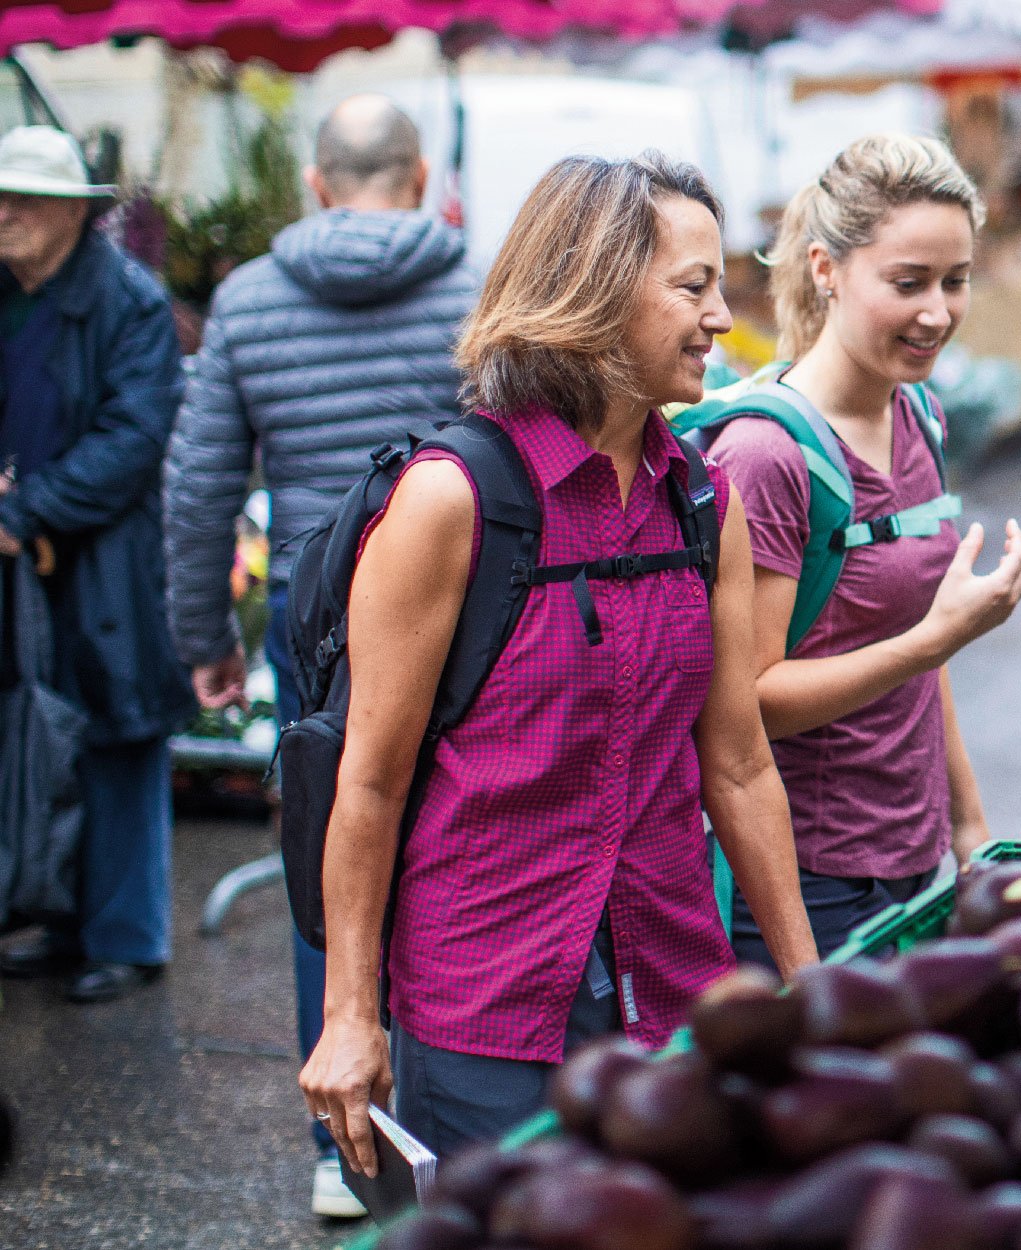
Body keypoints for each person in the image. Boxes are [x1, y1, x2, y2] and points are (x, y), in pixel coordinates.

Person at [296, 153, 818, 1174]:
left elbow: (742, 765)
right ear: (591, 288)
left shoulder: (703, 502)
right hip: (484, 1005)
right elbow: (367, 779)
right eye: (693, 286)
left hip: (671, 988)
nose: (722, 317)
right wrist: (349, 1014)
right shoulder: (455, 499)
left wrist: (810, 981)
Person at [160, 94, 475, 1219]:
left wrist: (203, 642)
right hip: (466, 623)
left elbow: (198, 487)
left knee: (326, 861)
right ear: (422, 173)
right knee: (454, 847)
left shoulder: (247, 297)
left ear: (318, 183)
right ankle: (456, 1109)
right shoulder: (472, 282)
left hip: (319, 630)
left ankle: (345, 1145)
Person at [698, 135, 1021, 965]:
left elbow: (926, 651)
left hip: (915, 857)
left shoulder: (916, 413)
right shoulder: (764, 456)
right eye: (908, 283)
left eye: (955, 281)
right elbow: (746, 704)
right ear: (825, 269)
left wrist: (968, 826)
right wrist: (938, 637)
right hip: (810, 877)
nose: (938, 312)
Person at [0, 126, 192, 1005]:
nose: (6, 214)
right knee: (39, 736)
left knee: (116, 733)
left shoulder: (130, 301)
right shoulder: (7, 289)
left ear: (76, 213)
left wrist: (25, 509)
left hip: (101, 559)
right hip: (17, 560)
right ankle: (60, 917)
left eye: (27, 199)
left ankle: (126, 936)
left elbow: (133, 439)